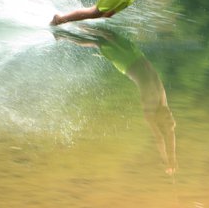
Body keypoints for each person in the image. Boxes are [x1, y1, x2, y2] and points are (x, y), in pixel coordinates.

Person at [53, 26, 177, 175]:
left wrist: (167, 161)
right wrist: (173, 159)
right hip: (137, 55)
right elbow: (170, 136)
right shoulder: (163, 104)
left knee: (99, 42)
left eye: (168, 118)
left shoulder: (150, 113)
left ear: (160, 121)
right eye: (172, 117)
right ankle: (76, 22)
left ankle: (62, 35)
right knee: (109, 33)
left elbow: (160, 139)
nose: (170, 115)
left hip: (127, 64)